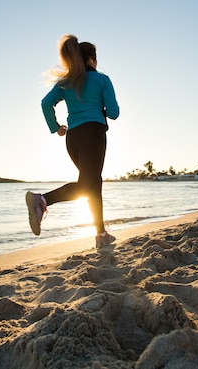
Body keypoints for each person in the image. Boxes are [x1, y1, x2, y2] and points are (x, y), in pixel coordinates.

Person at [26, 34, 120, 249]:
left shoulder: (66, 83)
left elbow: (45, 104)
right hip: (94, 134)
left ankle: (101, 235)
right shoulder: (102, 79)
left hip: (73, 138)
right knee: (89, 183)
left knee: (93, 183)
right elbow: (114, 113)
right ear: (91, 59)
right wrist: (102, 109)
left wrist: (56, 127)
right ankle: (41, 200)